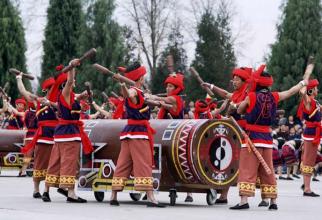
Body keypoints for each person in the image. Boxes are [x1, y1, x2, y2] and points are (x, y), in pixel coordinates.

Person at [230, 64, 309, 210]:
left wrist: (236, 106)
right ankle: (273, 202)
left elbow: (240, 110)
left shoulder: (251, 96)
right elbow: (290, 92)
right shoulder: (274, 96)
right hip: (267, 139)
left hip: (251, 138)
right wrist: (303, 83)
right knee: (269, 171)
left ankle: (244, 201)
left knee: (247, 169)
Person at [110, 62, 165, 207]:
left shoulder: (140, 92)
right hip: (138, 133)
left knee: (123, 164)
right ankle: (151, 197)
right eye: (143, 77)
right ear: (140, 78)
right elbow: (129, 95)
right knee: (144, 163)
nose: (144, 79)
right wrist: (123, 85)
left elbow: (142, 98)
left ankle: (113, 195)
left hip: (129, 133)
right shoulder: (134, 91)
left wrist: (157, 101)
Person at [44, 60, 93, 203]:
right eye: (72, 81)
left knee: (55, 162)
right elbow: (70, 81)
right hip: (69, 134)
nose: (74, 81)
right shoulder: (66, 92)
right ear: (66, 83)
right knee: (70, 163)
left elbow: (75, 96)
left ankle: (46, 191)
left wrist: (84, 95)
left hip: (61, 134)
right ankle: (71, 193)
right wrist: (72, 66)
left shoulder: (69, 96)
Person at [297, 79, 321, 197]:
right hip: (311, 134)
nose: (318, 89)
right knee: (309, 160)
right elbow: (302, 93)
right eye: (316, 88)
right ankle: (307, 188)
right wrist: (303, 86)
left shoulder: (314, 101)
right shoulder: (308, 101)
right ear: (311, 90)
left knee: (310, 159)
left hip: (314, 133)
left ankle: (305, 185)